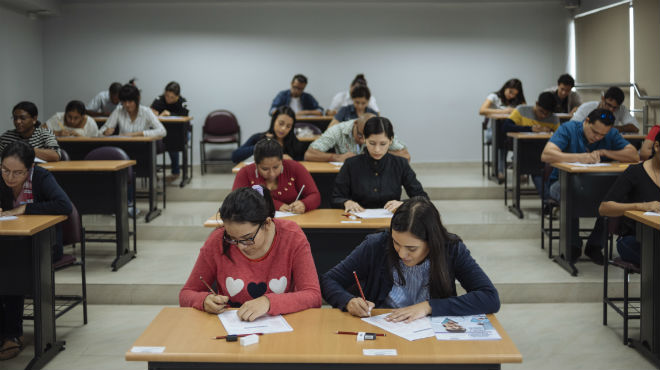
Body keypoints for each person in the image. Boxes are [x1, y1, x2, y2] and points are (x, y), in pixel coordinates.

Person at [321, 197, 500, 322]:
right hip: (384, 327)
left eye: (412, 248)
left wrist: (429, 307)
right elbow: (328, 280)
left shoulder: (451, 249)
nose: (401, 254)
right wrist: (348, 301)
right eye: (396, 243)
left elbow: (489, 297)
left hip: (431, 331)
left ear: (432, 242)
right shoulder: (377, 245)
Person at [179, 185, 322, 321]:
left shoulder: (291, 236)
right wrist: (203, 300)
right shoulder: (218, 239)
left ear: (266, 223)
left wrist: (269, 302)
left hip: (281, 328)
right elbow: (186, 293)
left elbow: (313, 295)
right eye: (232, 238)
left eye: (247, 238)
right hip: (230, 331)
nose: (240, 246)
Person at [0, 141, 72, 360]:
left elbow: (64, 205)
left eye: (17, 172)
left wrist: (26, 208)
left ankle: (11, 334)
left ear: (29, 168)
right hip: (8, 242)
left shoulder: (41, 177)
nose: (10, 177)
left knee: (12, 269)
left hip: (43, 245)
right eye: (5, 170)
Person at [540, 109, 640, 264]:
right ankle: (572, 245)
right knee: (570, 194)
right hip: (561, 182)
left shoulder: (611, 134)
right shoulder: (569, 128)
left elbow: (633, 155)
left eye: (602, 135)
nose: (598, 137)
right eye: (595, 132)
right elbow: (547, 154)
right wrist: (580, 157)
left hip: (596, 185)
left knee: (613, 200)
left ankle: (595, 245)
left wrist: (605, 151)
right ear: (586, 121)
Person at [332, 117, 426, 213]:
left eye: (383, 144)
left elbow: (422, 197)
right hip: (359, 220)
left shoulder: (400, 164)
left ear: (391, 140)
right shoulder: (350, 164)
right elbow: (336, 197)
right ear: (364, 139)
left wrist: (403, 204)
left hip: (391, 222)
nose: (377, 150)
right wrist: (346, 202)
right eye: (372, 143)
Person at [599, 131, 660, 266]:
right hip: (635, 239)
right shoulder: (635, 172)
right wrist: (640, 206)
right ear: (656, 147)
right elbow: (604, 208)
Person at [233, 138, 321, 213]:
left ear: (282, 161)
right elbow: (237, 202)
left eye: (276, 167)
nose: (272, 173)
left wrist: (304, 204)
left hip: (295, 223)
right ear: (256, 164)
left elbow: (315, 195)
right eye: (265, 169)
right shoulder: (245, 173)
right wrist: (275, 206)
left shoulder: (294, 168)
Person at [496, 92, 559, 180]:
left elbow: (559, 137)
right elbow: (506, 127)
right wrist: (530, 129)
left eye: (547, 114)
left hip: (541, 151)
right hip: (523, 148)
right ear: (536, 104)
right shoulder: (522, 110)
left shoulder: (554, 118)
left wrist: (550, 132)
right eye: (541, 111)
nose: (543, 116)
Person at [304, 113, 410, 162]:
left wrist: (380, 152)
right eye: (360, 135)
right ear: (355, 124)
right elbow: (309, 154)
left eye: (368, 138)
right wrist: (336, 157)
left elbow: (406, 156)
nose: (363, 141)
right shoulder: (337, 130)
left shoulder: (381, 130)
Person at [232, 106, 305, 163]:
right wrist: (261, 147)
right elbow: (235, 156)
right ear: (273, 121)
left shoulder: (295, 143)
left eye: (288, 126)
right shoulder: (259, 138)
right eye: (281, 123)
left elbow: (302, 163)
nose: (283, 129)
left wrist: (292, 161)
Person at [150, 81, 190, 183]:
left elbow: (185, 116)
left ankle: (176, 172)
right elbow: (151, 112)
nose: (168, 99)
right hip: (163, 133)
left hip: (181, 133)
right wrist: (153, 113)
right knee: (151, 145)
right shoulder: (159, 99)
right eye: (167, 95)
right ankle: (151, 172)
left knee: (174, 143)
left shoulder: (183, 102)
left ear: (178, 96)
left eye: (172, 97)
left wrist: (171, 114)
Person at [99, 84, 166, 138]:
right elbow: (99, 133)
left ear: (137, 100)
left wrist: (137, 134)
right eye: (124, 102)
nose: (127, 105)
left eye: (130, 101)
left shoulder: (146, 111)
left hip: (142, 148)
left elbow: (162, 131)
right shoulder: (119, 110)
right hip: (123, 148)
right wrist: (105, 132)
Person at [478, 78, 526, 144]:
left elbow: (524, 112)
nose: (511, 96)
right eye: (510, 92)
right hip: (493, 131)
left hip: (509, 131)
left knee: (522, 137)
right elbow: (481, 111)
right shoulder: (494, 96)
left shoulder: (515, 100)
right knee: (505, 138)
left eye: (515, 95)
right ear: (505, 87)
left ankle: (518, 153)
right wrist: (504, 111)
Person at [572, 87, 639, 133]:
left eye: (615, 108)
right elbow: (572, 126)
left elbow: (635, 128)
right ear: (603, 99)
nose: (611, 109)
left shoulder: (621, 109)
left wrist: (611, 129)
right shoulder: (586, 107)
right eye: (609, 105)